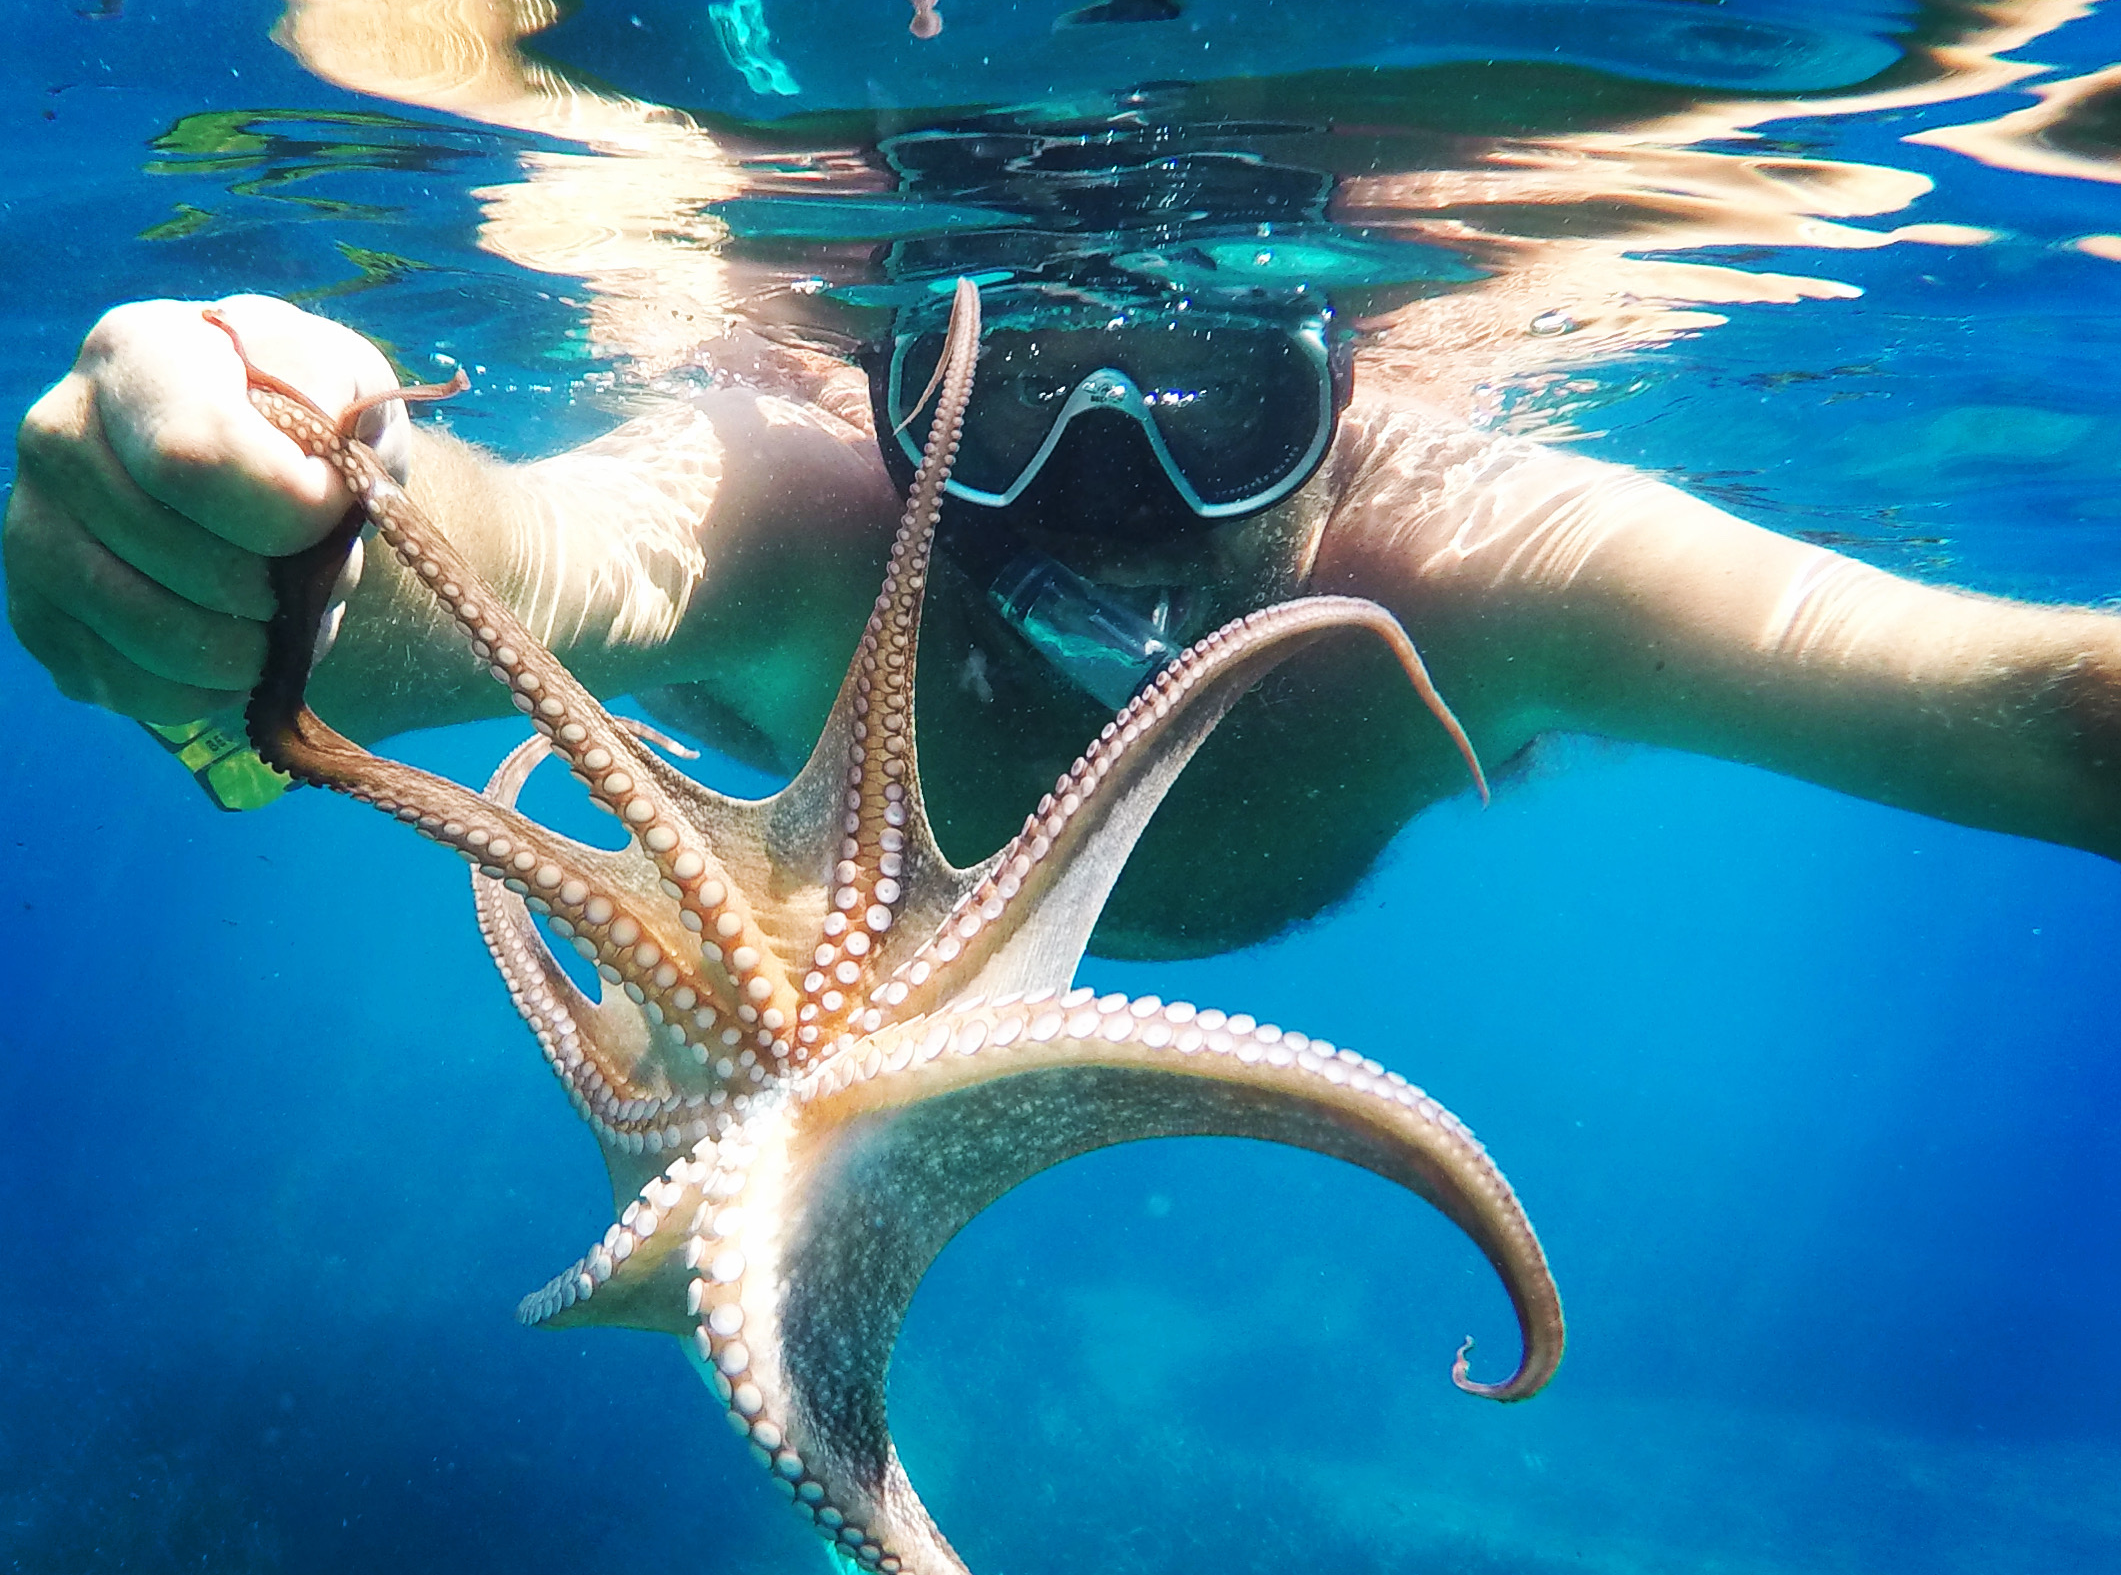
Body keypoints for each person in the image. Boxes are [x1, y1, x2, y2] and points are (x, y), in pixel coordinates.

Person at [9, 247, 2120, 962]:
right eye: (999, 390)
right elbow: (523, 560)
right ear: (884, 397)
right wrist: (272, 540)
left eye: (1226, 399)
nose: (1114, 484)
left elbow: (2005, 700)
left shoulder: (1495, 561)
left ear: (1350, 387)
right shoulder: (800, 520)